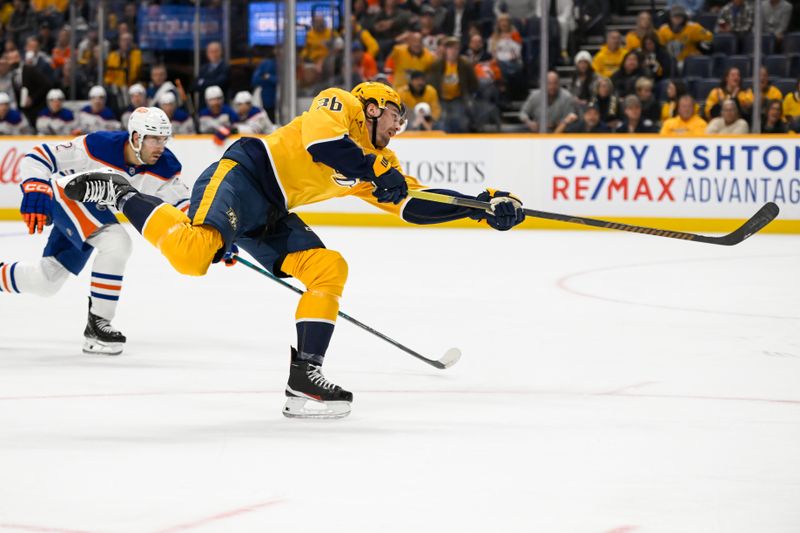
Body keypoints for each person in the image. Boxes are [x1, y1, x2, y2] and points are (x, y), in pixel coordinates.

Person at [59, 82, 526, 419]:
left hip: (273, 212)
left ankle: (304, 378)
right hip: (244, 173)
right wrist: (373, 170)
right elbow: (323, 145)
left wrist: (479, 207)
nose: (398, 125)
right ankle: (119, 192)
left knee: (327, 267)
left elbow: (410, 203)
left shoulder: (380, 161)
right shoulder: (340, 104)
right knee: (191, 256)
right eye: (394, 115)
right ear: (374, 105)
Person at [2, 107, 187, 355]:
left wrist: (214, 237)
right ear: (135, 137)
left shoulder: (166, 167)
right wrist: (36, 186)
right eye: (154, 138)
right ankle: (98, 324)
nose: (160, 146)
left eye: (164, 139)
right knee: (117, 241)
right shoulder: (99, 145)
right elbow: (39, 155)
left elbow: (185, 208)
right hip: (67, 194)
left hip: (92, 210)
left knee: (46, 281)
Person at [426, 37, 477, 133]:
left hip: (458, 98)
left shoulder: (465, 64)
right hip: (441, 98)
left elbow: (473, 83)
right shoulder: (436, 65)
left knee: (459, 121)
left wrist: (466, 93)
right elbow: (430, 82)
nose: (453, 51)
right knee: (441, 121)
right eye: (450, 48)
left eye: (456, 48)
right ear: (445, 50)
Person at [192, 41, 230, 107]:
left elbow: (220, 83)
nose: (214, 54)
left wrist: (203, 82)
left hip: (221, 107)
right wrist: (213, 81)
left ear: (221, 52)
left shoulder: (225, 67)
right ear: (207, 54)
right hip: (204, 106)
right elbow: (194, 86)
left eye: (216, 51)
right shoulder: (203, 68)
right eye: (211, 51)